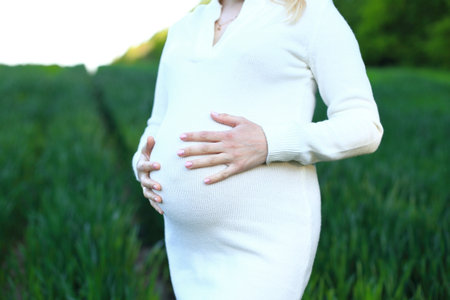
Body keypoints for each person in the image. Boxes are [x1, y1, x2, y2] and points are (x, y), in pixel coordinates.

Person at [132, 0, 383, 298]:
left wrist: (268, 143)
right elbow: (158, 121)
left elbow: (364, 125)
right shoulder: (185, 26)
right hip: (187, 248)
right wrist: (143, 163)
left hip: (265, 241)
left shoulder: (310, 11)